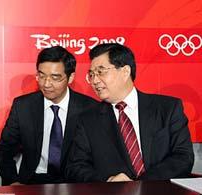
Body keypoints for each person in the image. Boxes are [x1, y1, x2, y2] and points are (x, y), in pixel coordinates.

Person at [65, 43, 194, 182]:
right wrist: (108, 180)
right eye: (91, 74)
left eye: (101, 72)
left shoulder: (167, 108)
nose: (95, 80)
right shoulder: (87, 119)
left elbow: (183, 157)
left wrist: (141, 184)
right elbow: (75, 167)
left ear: (125, 71)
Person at [0, 46, 97, 185]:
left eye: (55, 78)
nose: (46, 84)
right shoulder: (23, 106)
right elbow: (5, 150)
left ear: (71, 77)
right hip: (33, 181)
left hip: (75, 184)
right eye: (41, 76)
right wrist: (13, 182)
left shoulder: (90, 108)